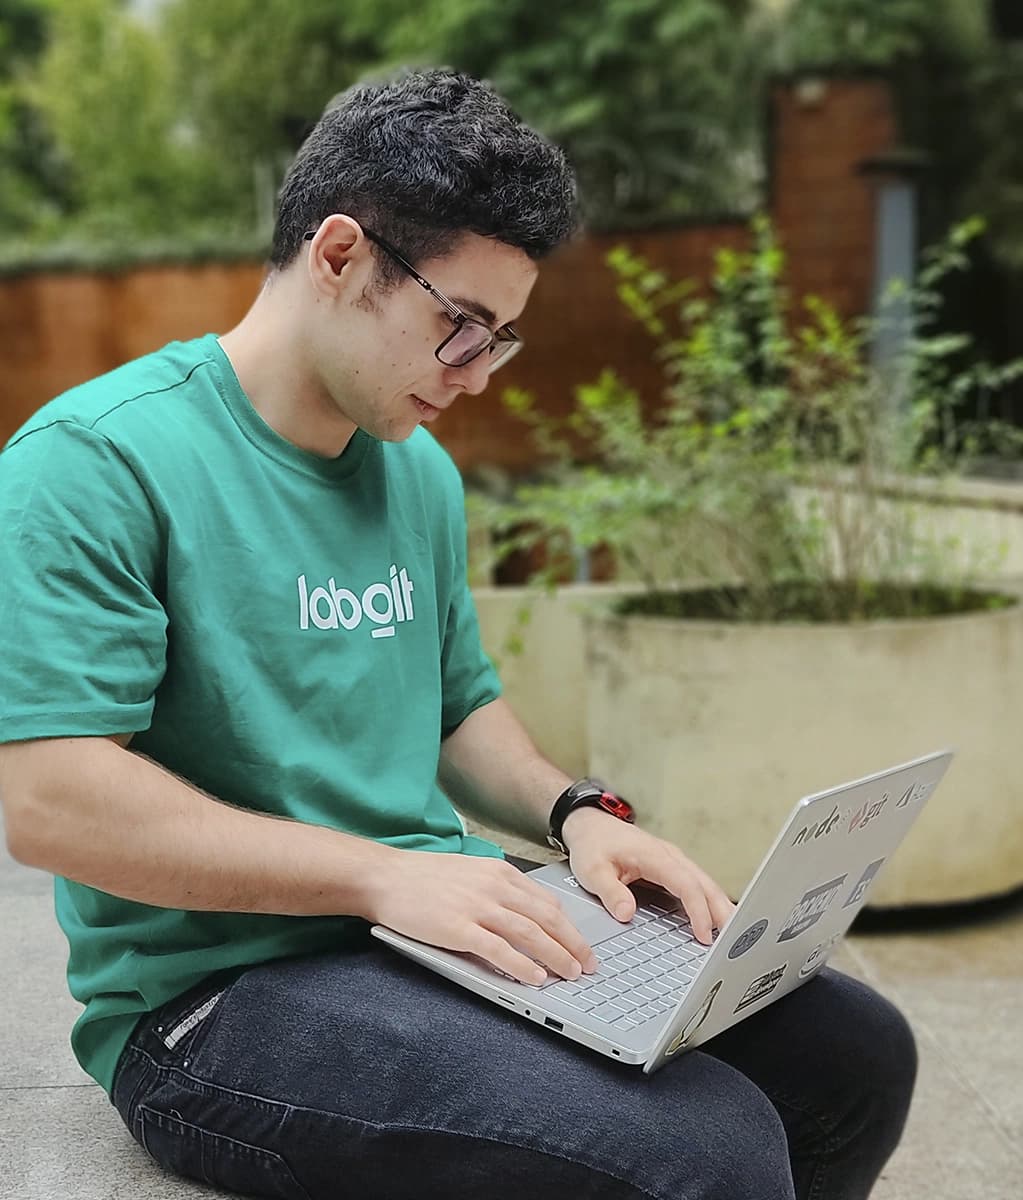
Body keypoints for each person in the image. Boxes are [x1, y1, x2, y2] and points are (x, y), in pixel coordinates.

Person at [0, 70, 917, 1200]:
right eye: (462, 327)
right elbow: (48, 801)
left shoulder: (413, 469)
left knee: (857, 1058)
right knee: (708, 1151)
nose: (477, 376)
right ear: (340, 255)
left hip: (424, 927)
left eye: (502, 340)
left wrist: (580, 818)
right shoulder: (97, 461)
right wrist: (381, 878)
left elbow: (456, 704)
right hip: (215, 1000)